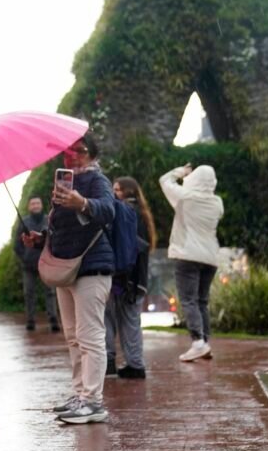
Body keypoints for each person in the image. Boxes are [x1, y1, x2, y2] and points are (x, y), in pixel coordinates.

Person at [22, 134, 114, 424]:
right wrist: (40, 239)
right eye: (68, 150)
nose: (72, 155)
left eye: (79, 150)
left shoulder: (97, 180)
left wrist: (82, 202)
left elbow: (108, 210)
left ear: (91, 155)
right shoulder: (63, 184)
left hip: (91, 266)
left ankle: (93, 401)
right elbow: (64, 228)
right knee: (74, 337)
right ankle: (80, 395)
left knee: (90, 336)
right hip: (67, 268)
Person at [159, 163, 224, 361]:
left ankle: (197, 343)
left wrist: (182, 171)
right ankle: (204, 342)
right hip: (210, 257)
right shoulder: (217, 202)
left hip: (187, 255)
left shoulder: (184, 197)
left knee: (189, 300)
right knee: (202, 301)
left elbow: (164, 180)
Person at [105, 177, 156, 379]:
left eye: (117, 190)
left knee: (108, 319)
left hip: (122, 278)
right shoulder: (142, 214)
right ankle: (135, 364)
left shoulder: (122, 213)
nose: (113, 193)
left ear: (128, 191)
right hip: (137, 279)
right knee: (131, 322)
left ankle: (109, 362)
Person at [13, 196, 60, 332]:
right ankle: (30, 320)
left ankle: (53, 319)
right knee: (29, 293)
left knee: (50, 292)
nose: (35, 205)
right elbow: (17, 244)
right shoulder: (24, 222)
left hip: (47, 263)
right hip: (29, 265)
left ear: (41, 205)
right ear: (29, 206)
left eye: (37, 203)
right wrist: (24, 257)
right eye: (32, 203)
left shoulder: (48, 219)